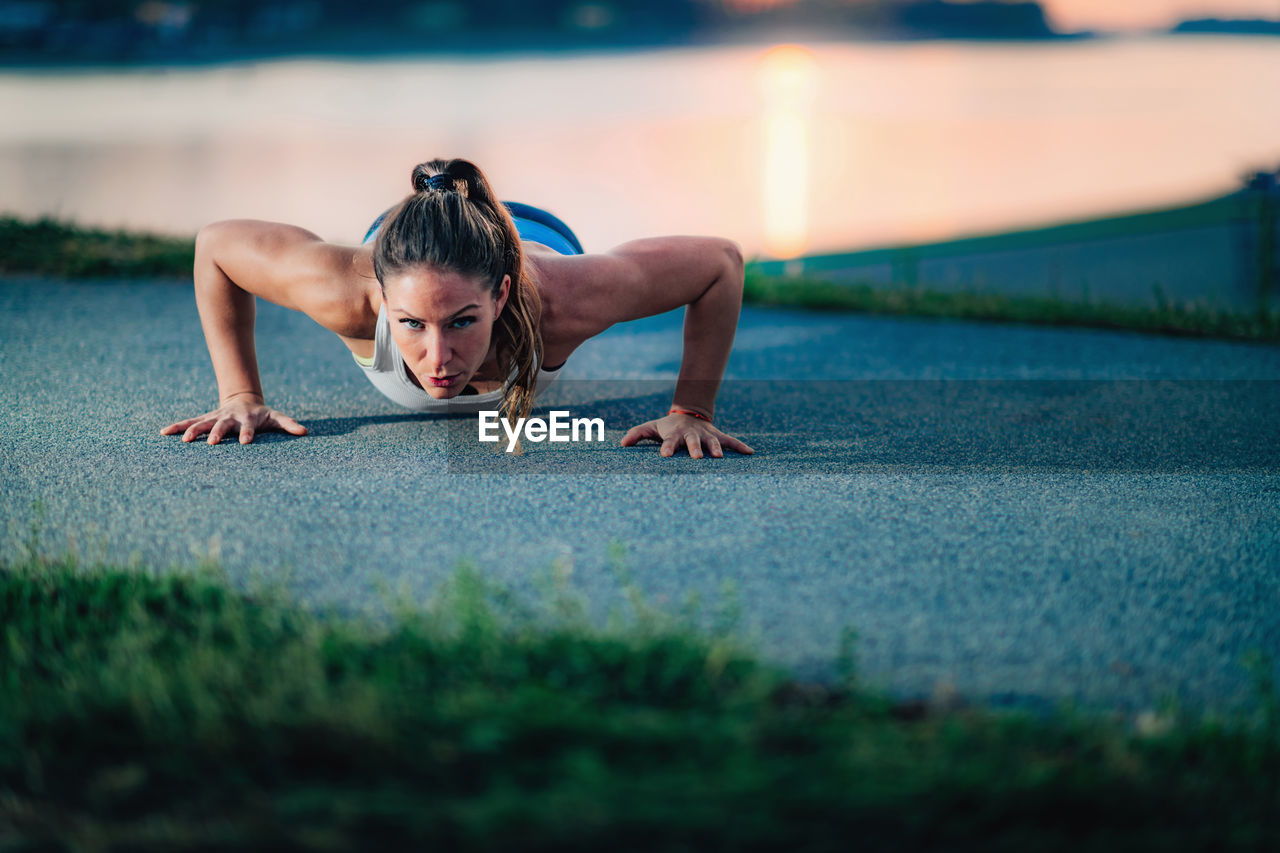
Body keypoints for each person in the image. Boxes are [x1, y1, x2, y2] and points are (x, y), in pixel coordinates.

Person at [161, 157, 754, 459]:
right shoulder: (345, 292)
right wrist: (240, 397)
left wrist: (692, 411)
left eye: (463, 322)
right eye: (413, 325)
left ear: (499, 296)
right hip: (406, 241)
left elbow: (720, 263)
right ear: (383, 299)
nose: (438, 358)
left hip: (536, 237)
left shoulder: (565, 301)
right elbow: (216, 244)